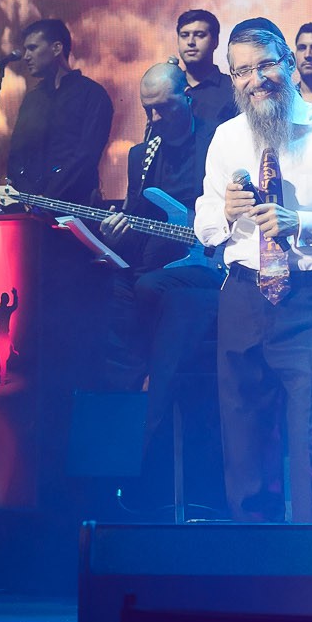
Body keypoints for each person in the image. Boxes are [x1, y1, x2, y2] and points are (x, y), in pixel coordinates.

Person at [195, 20, 312, 523]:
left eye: (265, 66)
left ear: (288, 63)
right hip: (243, 297)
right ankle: (258, 562)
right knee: (244, 448)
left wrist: (303, 222)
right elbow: (205, 224)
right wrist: (225, 213)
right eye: (242, 71)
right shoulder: (226, 138)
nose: (255, 80)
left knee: (308, 448)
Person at [97, 63, 223, 439]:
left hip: (208, 260)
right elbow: (139, 221)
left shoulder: (217, 142)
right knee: (109, 288)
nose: (154, 118)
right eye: (147, 109)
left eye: (163, 107)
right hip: (154, 262)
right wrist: (117, 235)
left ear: (187, 98)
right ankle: (125, 412)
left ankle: (156, 407)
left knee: (149, 286)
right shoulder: (142, 155)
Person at [6, 18, 115, 204]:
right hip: (31, 208)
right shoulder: (32, 100)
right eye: (25, 49)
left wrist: (49, 196)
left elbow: (86, 155)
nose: (26, 56)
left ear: (57, 48)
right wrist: (28, 196)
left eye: (32, 48)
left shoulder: (93, 95)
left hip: (76, 206)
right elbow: (16, 156)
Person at [177, 9, 238, 126]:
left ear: (215, 41)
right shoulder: (168, 88)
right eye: (184, 35)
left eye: (200, 35)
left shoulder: (233, 90)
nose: (190, 42)